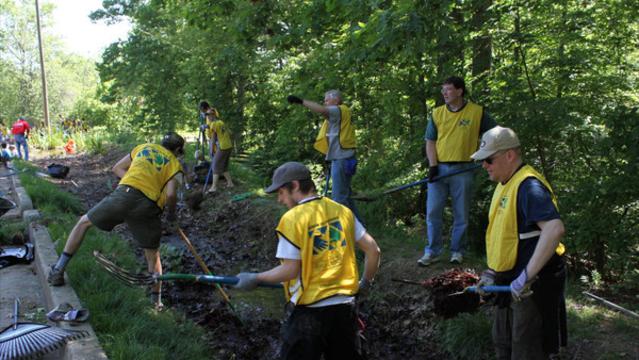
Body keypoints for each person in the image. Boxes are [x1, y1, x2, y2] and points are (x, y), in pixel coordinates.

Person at [234, 161, 380, 359]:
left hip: (311, 313)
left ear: (294, 186)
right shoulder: (342, 211)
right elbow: (373, 250)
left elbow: (290, 271)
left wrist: (256, 278)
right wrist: (365, 283)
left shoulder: (292, 219)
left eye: (281, 193)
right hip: (346, 309)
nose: (280, 200)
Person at [47, 132, 186, 310]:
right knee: (153, 255)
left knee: (83, 223)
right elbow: (171, 194)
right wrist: (172, 215)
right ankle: (156, 302)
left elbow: (117, 168)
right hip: (148, 207)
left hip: (124, 194)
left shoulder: (143, 148)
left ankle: (58, 270)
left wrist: (131, 181)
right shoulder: (174, 164)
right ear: (177, 150)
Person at [471, 126, 567, 360]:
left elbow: (555, 229)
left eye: (489, 160)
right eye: (483, 160)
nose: (485, 165)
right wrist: (491, 272)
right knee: (502, 342)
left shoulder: (529, 187)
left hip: (532, 288)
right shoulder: (504, 184)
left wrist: (526, 276)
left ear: (509, 155)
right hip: (507, 284)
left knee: (526, 349)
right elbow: (504, 237)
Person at [418, 76, 497, 266]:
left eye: (449, 89)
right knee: (433, 212)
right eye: (443, 90)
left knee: (461, 213)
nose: (444, 93)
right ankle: (433, 251)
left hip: (464, 168)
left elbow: (494, 134)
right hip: (439, 169)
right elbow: (430, 142)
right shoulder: (437, 113)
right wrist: (433, 165)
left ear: (460, 91)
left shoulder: (477, 112)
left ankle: (457, 251)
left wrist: (486, 155)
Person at [287, 90, 361, 220]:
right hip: (343, 158)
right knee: (346, 196)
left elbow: (322, 110)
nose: (325, 103)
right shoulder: (339, 115)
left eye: (327, 100)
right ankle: (359, 227)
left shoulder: (339, 110)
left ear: (336, 100)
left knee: (339, 198)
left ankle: (345, 231)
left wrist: (301, 101)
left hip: (342, 159)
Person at [204, 108, 234, 193]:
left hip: (223, 147)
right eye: (207, 115)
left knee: (215, 165)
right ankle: (230, 183)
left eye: (209, 115)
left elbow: (213, 139)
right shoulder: (221, 122)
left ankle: (214, 187)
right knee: (224, 166)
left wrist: (211, 149)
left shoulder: (214, 124)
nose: (208, 117)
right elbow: (230, 133)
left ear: (214, 115)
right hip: (229, 146)